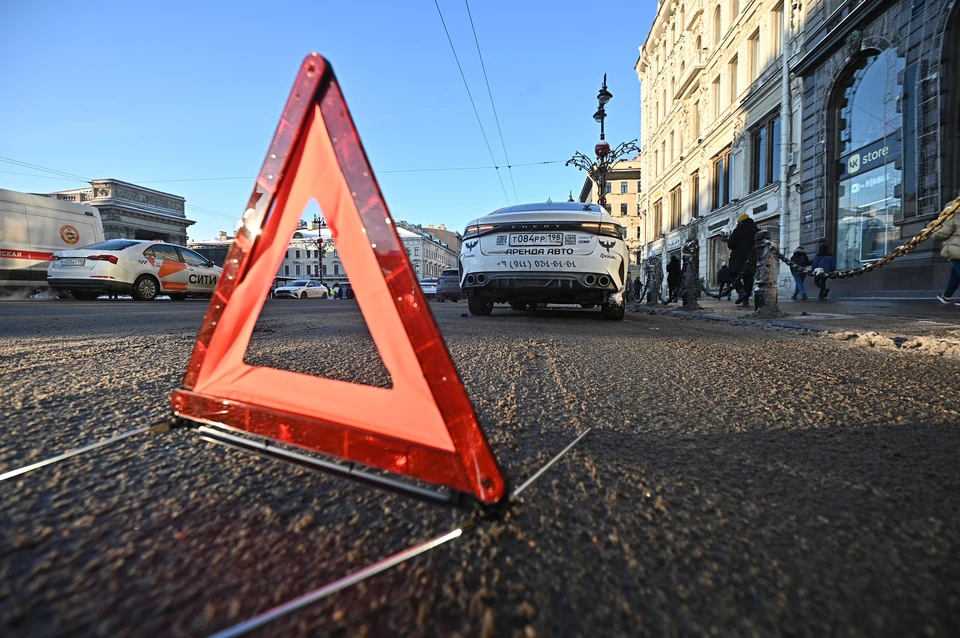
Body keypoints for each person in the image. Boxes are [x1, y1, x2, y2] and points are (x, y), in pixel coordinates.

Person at [727, 213, 759, 306]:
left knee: (733, 275)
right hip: (752, 259)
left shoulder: (738, 230)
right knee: (748, 278)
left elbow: (731, 244)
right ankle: (746, 299)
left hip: (738, 259)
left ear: (740, 222)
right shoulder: (756, 230)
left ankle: (741, 291)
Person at [934, 212, 960, 304]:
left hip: (957, 249)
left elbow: (941, 233)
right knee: (955, 274)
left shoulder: (954, 215)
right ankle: (947, 295)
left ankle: (947, 296)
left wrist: (934, 231)